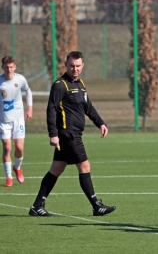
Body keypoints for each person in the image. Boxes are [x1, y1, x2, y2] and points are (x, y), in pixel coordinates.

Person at [28, 51, 116, 217]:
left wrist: (101, 123)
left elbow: (88, 107)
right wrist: (53, 134)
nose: (74, 69)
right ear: (66, 65)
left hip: (72, 134)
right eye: (71, 66)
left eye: (77, 66)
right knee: (84, 166)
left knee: (57, 168)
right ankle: (96, 205)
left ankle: (37, 206)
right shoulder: (60, 85)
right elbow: (51, 110)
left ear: (82, 66)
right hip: (68, 134)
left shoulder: (80, 84)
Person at [0, 55, 33, 187]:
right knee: (7, 148)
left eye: (11, 67)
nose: (9, 70)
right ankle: (9, 177)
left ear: (15, 67)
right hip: (3, 121)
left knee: (19, 148)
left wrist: (29, 109)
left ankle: (17, 168)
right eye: (6, 67)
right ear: (2, 67)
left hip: (18, 120)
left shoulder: (20, 79)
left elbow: (28, 91)